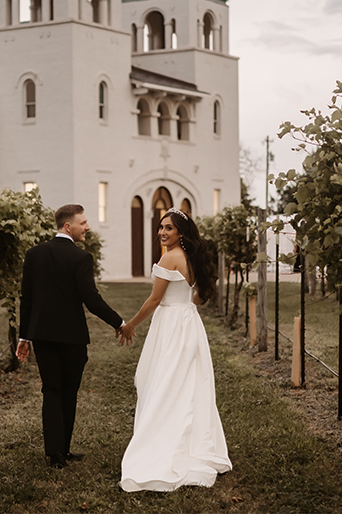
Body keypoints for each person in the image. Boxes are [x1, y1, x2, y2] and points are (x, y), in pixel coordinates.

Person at [118, 207, 232, 492]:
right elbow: (201, 295)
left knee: (164, 380)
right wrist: (186, 308)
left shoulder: (169, 257)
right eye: (160, 227)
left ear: (181, 233)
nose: (162, 233)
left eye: (168, 228)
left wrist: (130, 325)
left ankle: (164, 440)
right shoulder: (192, 258)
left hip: (170, 324)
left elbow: (155, 300)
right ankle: (191, 440)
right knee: (187, 382)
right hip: (188, 323)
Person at [17, 204, 134, 469]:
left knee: (51, 390)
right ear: (68, 227)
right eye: (83, 222)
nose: (88, 227)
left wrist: (25, 336)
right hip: (72, 337)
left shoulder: (34, 254)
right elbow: (91, 300)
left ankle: (57, 453)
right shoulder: (81, 258)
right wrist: (120, 322)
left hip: (43, 336)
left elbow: (27, 299)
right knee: (68, 392)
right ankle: (62, 451)